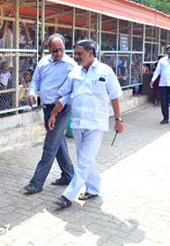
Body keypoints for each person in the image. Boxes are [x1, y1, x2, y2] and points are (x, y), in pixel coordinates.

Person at [48, 40, 123, 208]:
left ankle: (68, 196)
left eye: (80, 53)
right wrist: (54, 113)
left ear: (91, 53)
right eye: (75, 53)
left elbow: (115, 96)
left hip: (95, 124)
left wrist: (118, 120)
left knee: (83, 162)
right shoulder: (75, 72)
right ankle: (94, 188)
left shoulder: (105, 71)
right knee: (86, 159)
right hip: (77, 123)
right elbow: (65, 94)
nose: (77, 56)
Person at [21, 34, 76, 195]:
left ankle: (36, 183)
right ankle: (69, 175)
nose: (58, 53)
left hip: (61, 108)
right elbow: (35, 81)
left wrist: (55, 111)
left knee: (50, 146)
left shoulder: (70, 65)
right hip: (46, 107)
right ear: (49, 50)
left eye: (61, 50)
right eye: (54, 50)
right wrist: (31, 92)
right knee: (58, 143)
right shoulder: (43, 62)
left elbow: (70, 91)